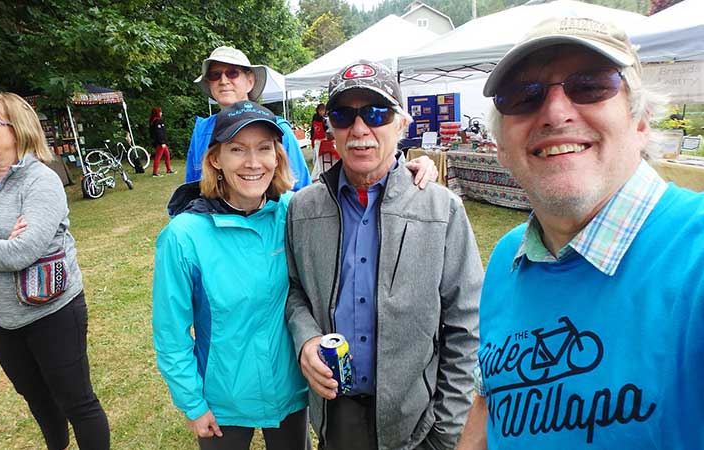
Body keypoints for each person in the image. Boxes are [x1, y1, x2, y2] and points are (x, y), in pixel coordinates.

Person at [455, 17, 704, 450]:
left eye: (590, 84)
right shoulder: (507, 258)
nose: (554, 112)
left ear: (641, 121)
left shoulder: (695, 257)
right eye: (524, 96)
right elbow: (488, 398)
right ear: (500, 148)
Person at [285, 60, 483, 450]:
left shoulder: (441, 208)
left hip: (419, 421)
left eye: (376, 113)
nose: (360, 129)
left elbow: (467, 325)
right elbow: (293, 291)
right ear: (331, 130)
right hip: (335, 412)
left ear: (401, 125)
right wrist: (306, 339)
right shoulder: (303, 208)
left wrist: (446, 429)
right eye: (344, 115)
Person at [0, 92, 110, 449]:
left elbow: (22, 252)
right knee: (38, 400)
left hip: (53, 311)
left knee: (77, 402)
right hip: (2, 319)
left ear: (17, 129)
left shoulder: (41, 181)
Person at [154, 101, 310, 450]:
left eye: (264, 149)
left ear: (278, 156)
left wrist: (403, 170)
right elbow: (170, 333)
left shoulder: (293, 212)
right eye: (237, 149)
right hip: (223, 399)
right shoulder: (183, 236)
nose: (253, 163)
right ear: (215, 159)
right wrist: (192, 404)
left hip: (291, 388)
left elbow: (351, 193)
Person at [183, 46, 311, 191]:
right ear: (209, 84)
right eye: (215, 75)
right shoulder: (202, 130)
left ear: (250, 81)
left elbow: (301, 191)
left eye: (232, 73)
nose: (223, 81)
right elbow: (192, 189)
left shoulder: (277, 128)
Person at [149, 106, 176, 177]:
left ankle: (169, 169)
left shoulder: (157, 121)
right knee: (158, 156)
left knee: (167, 155)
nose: (161, 113)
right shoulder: (156, 121)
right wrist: (162, 142)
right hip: (160, 143)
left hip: (162, 142)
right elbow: (159, 133)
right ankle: (155, 172)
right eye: (160, 112)